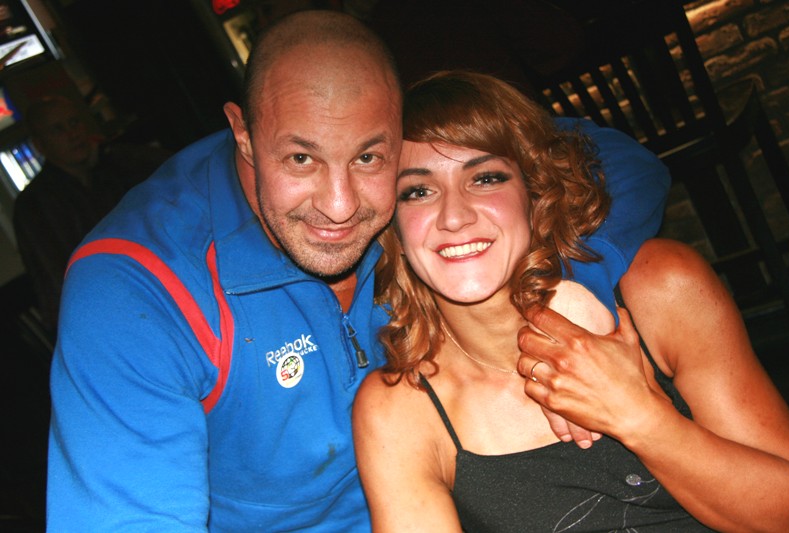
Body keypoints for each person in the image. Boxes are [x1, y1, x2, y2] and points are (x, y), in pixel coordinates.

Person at [47, 10, 672, 531]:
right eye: (301, 158)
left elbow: (619, 161)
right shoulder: (134, 287)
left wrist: (562, 289)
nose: (341, 207)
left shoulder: (418, 194)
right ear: (243, 133)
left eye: (369, 157)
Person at [353, 70, 789, 532]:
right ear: (392, 227)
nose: (454, 216)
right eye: (418, 191)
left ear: (535, 194)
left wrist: (640, 417)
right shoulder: (400, 409)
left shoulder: (662, 290)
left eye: (485, 178)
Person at [12, 95, 171, 336]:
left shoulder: (114, 168)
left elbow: (172, 172)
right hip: (100, 319)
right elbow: (61, 279)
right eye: (58, 129)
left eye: (74, 122)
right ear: (40, 145)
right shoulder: (35, 204)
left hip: (154, 292)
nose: (73, 134)